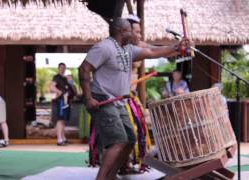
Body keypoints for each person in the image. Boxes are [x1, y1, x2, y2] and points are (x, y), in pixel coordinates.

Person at [79, 18, 190, 180]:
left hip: (118, 102)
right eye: (130, 30)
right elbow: (84, 68)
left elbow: (152, 51)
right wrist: (88, 98)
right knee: (118, 142)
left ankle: (110, 176)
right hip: (102, 99)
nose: (133, 33)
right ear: (122, 32)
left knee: (130, 140)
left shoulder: (128, 49)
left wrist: (177, 47)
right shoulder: (104, 47)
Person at [50, 63, 75, 146]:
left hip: (66, 101)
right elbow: (51, 87)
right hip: (59, 101)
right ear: (58, 68)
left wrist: (70, 82)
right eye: (61, 67)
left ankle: (63, 138)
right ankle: (59, 140)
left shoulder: (65, 78)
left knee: (63, 120)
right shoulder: (56, 77)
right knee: (59, 119)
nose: (62, 69)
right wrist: (59, 92)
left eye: (64, 67)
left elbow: (72, 89)